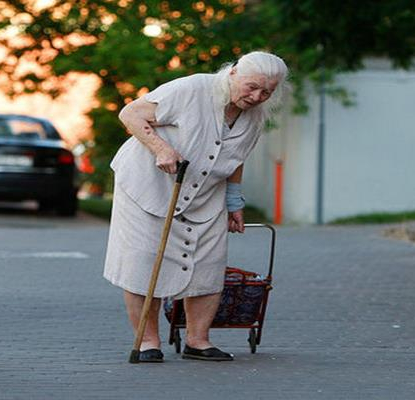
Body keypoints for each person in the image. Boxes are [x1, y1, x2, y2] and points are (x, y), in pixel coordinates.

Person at [103, 51, 288, 362]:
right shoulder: (192, 89)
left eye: (266, 92)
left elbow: (236, 159)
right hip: (148, 187)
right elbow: (130, 113)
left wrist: (233, 201)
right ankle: (148, 342)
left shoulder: (256, 117)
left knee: (208, 262)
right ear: (232, 74)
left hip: (205, 194)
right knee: (144, 262)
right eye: (252, 86)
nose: (257, 96)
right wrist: (160, 148)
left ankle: (198, 341)